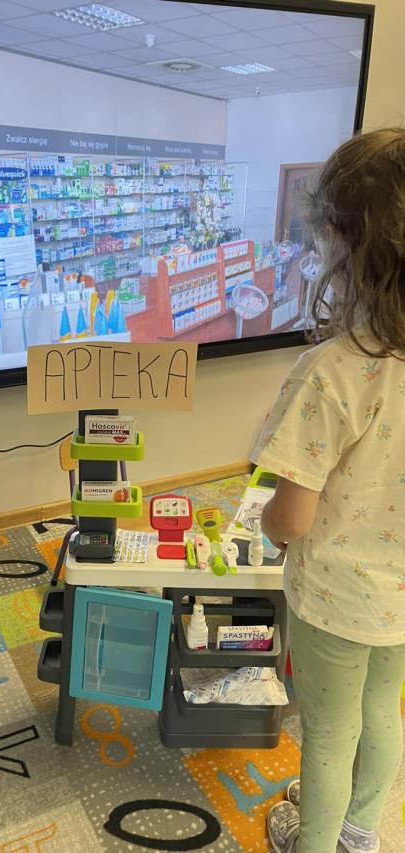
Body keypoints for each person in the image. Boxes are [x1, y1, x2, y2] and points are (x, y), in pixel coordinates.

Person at [250, 127, 405, 853]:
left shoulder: (332, 371)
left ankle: (312, 842)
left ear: (342, 240)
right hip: (401, 596)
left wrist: (267, 526)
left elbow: (292, 519)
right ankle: (361, 834)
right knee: (383, 711)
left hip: (337, 600)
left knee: (328, 732)